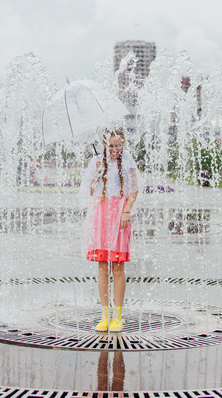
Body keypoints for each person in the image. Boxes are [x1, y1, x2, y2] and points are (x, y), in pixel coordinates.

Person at [80, 128, 140, 332]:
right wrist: (97, 174)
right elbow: (89, 191)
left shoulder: (128, 160)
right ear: (105, 145)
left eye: (118, 145)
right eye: (111, 145)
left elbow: (134, 189)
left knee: (118, 267)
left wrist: (126, 211)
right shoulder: (96, 161)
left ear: (122, 145)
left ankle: (118, 316)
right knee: (102, 267)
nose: (114, 149)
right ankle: (104, 315)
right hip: (101, 214)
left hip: (119, 215)